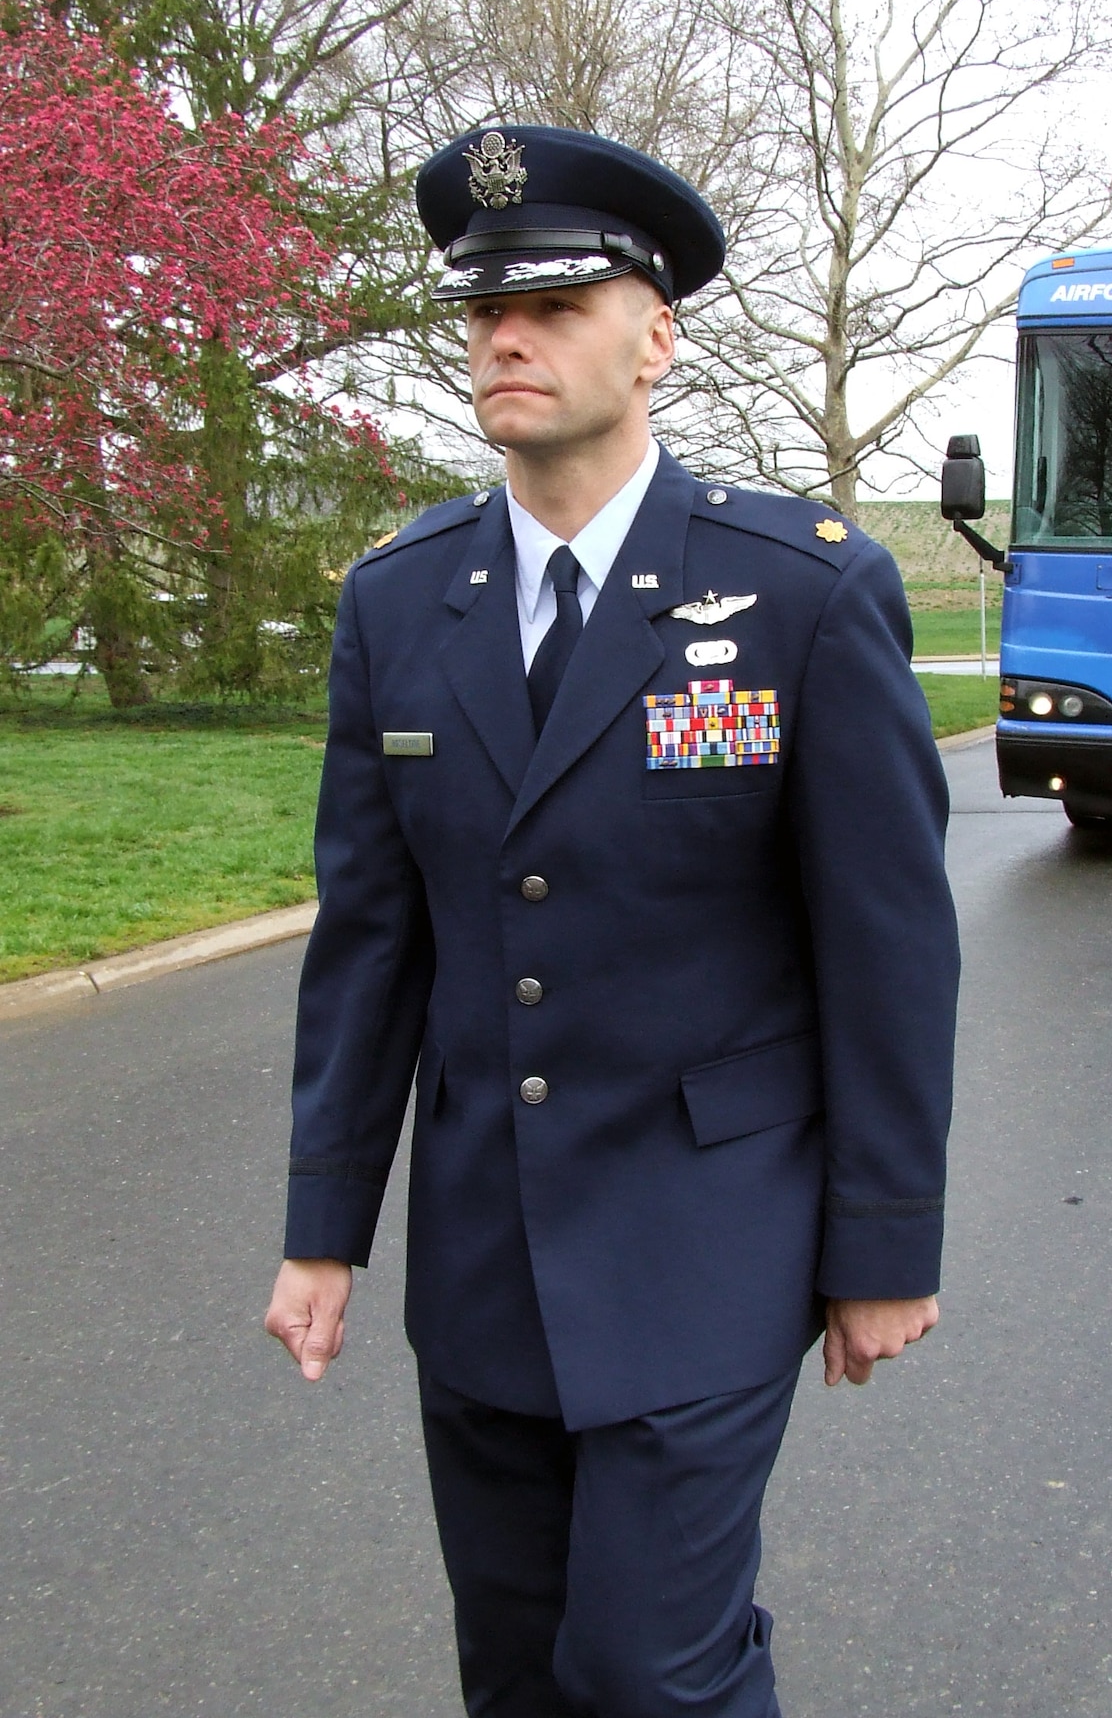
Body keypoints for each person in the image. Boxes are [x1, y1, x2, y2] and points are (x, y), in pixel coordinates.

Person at [264, 123, 959, 1718]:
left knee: (650, 1670)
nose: (508, 337)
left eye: (560, 305)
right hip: (485, 1246)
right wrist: (323, 1227)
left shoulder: (798, 592)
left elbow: (890, 948)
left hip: (710, 1229)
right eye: (485, 310)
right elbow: (372, 936)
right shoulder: (398, 600)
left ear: (656, 337)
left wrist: (884, 1241)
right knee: (515, 1671)